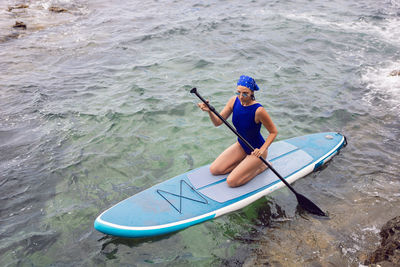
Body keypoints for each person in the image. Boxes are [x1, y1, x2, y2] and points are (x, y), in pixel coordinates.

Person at [197, 75, 278, 187]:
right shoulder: (233, 101)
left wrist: (262, 149)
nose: (241, 96)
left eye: (245, 93)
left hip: (257, 150)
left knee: (231, 182)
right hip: (242, 145)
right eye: (238, 92)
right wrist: (209, 111)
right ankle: (244, 164)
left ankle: (261, 167)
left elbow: (273, 132)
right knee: (214, 170)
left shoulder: (259, 110)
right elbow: (218, 122)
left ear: (252, 93)